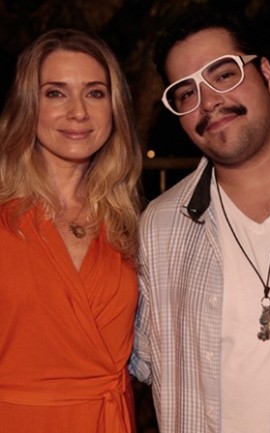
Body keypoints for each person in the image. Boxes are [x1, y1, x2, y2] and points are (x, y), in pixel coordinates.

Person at [129, 5, 270, 433]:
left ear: (266, 75)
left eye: (224, 74)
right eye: (186, 94)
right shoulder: (161, 228)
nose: (208, 101)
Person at [0, 28, 142, 432]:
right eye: (55, 93)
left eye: (95, 93)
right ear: (28, 106)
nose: (78, 112)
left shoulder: (129, 224)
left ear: (114, 108)